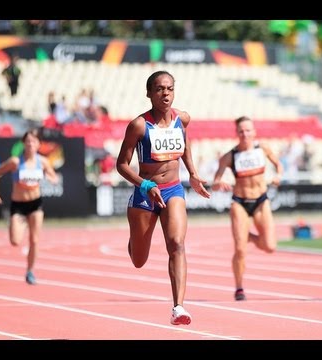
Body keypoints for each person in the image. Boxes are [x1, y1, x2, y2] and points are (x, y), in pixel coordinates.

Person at [115, 70, 210, 326]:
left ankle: (178, 307)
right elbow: (121, 165)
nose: (165, 93)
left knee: (177, 244)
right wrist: (145, 184)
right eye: (159, 89)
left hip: (173, 190)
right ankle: (134, 241)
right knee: (138, 260)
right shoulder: (138, 125)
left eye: (169, 88)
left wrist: (193, 173)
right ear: (149, 93)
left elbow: (186, 143)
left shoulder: (183, 119)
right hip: (146, 194)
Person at [211, 116, 283, 301]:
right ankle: (239, 288)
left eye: (248, 130)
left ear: (254, 132)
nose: (245, 134)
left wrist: (278, 176)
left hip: (261, 200)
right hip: (240, 202)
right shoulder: (229, 156)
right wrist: (220, 184)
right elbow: (215, 181)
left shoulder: (263, 148)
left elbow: (278, 165)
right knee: (240, 249)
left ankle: (247, 236)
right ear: (237, 133)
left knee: (270, 246)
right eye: (241, 131)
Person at [0, 129, 58, 285]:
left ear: (38, 144)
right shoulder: (15, 162)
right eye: (27, 141)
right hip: (18, 206)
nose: (30, 144)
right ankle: (17, 223)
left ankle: (30, 271)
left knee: (34, 240)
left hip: (35, 205)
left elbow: (53, 176)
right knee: (15, 241)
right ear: (23, 143)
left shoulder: (42, 162)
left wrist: (51, 178)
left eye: (33, 141)